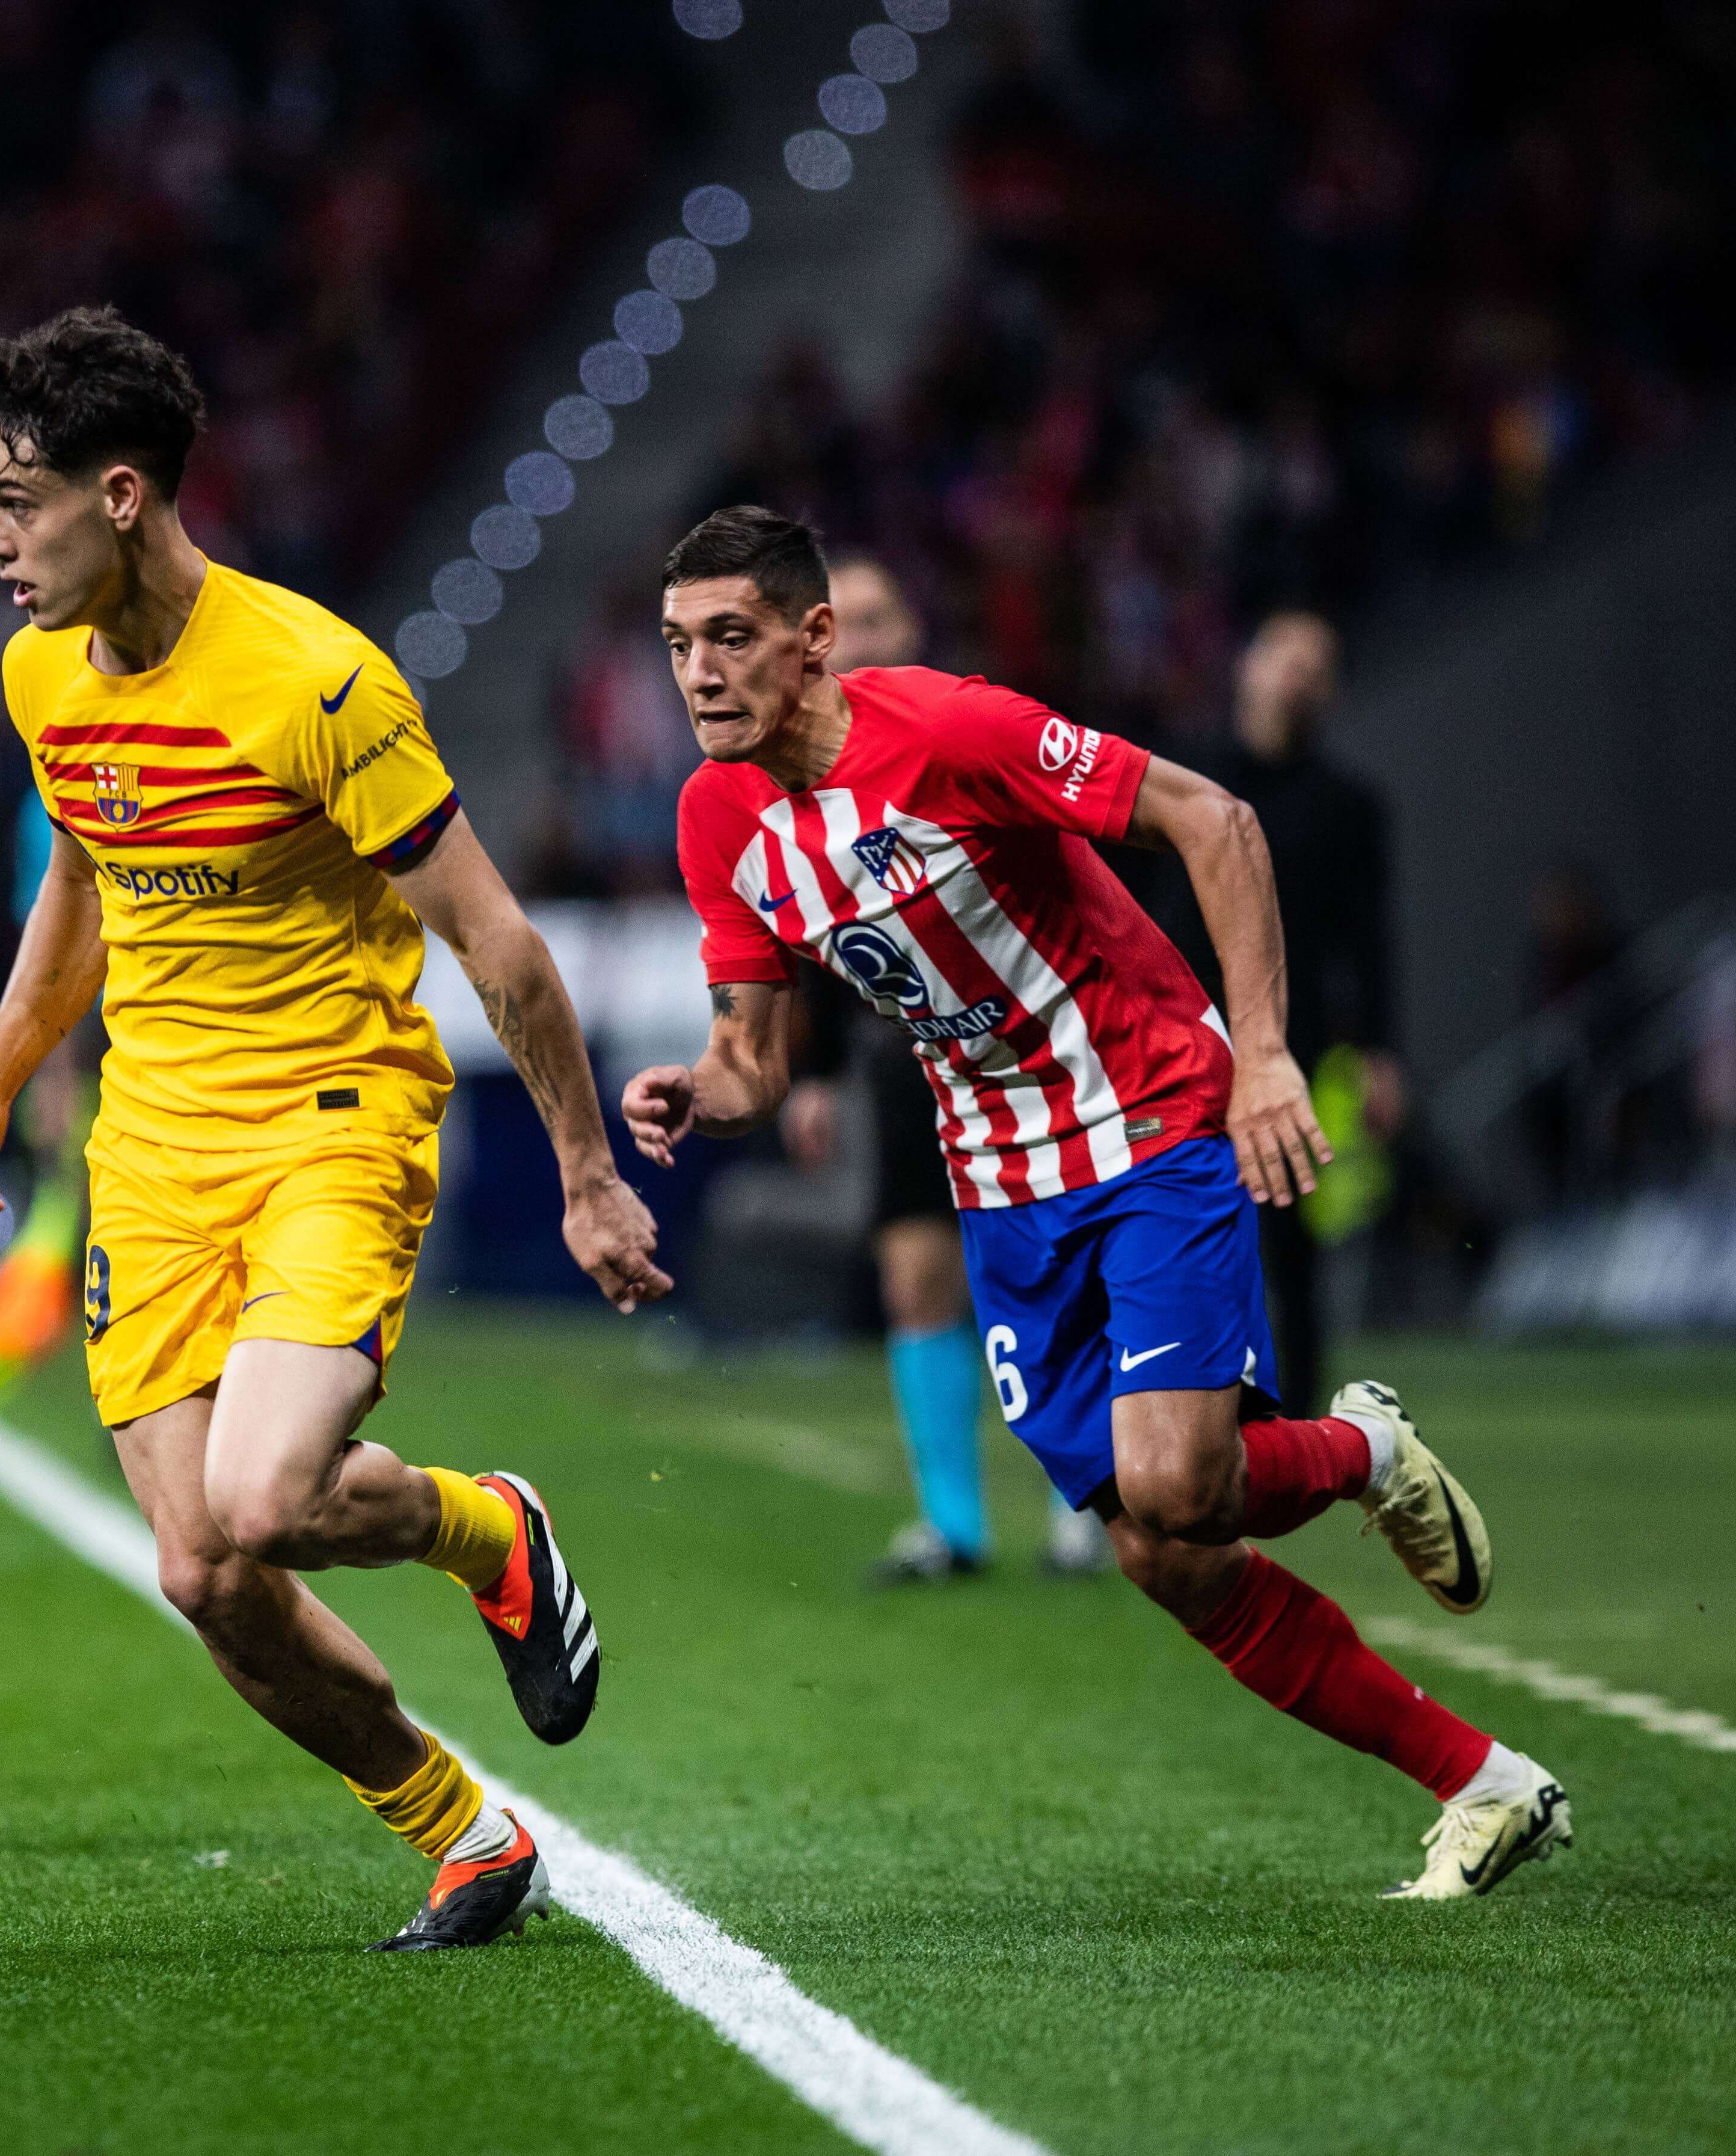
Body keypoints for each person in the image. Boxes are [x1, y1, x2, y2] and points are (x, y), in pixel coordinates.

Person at [622, 507, 1569, 1899]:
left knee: (1178, 1478)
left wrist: (1260, 1056)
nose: (697, 673)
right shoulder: (720, 818)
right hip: (1003, 1189)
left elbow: (1214, 817)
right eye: (675, 645)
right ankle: (1485, 1782)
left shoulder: (948, 733)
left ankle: (1361, 1449)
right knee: (1163, 1552)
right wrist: (699, 1090)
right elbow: (754, 1061)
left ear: (814, 640)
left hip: (1149, 1118)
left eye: (730, 638)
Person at [0, 308, 671, 1951]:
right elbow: (84, 875)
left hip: (333, 1123)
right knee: (205, 1574)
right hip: (152, 1151)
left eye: (17, 501)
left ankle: (488, 1526)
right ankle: (464, 1832)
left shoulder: (316, 681)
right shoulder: (42, 671)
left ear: (122, 496)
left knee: (263, 1503)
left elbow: (496, 942)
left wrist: (587, 1175)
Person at [771, 556, 1107, 1583]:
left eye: (877, 615)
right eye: (845, 620)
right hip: (898, 1060)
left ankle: (1080, 1505)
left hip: (1017, 1058)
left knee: (1049, 1271)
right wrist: (816, 1073)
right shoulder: (809, 775)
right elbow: (819, 940)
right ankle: (952, 1526)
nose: (861, 637)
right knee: (916, 1278)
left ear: (912, 624)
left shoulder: (964, 736)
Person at [1173, 612, 1400, 1407]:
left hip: (1282, 1046)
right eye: (1284, 658)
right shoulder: (1183, 775)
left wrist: (1378, 1051)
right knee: (1167, 1228)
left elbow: (1367, 938)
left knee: (1286, 1242)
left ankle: (1292, 1420)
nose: (1297, 677)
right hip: (1171, 1040)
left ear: (1331, 690)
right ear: (1246, 666)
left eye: (1316, 665)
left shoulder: (1347, 806)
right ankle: (1170, 1406)